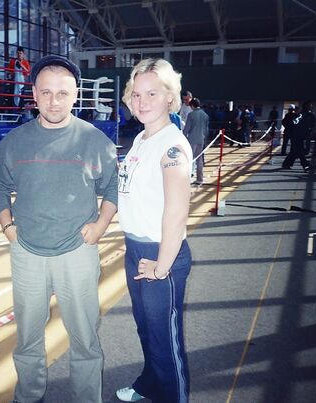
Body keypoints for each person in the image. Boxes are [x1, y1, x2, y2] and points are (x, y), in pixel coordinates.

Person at [0, 55, 118, 403]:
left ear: (75, 94)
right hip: (27, 253)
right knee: (27, 339)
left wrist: (100, 225)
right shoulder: (14, 141)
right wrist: (7, 226)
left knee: (85, 339)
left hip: (77, 253)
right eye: (46, 93)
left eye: (63, 93)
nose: (54, 101)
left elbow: (112, 188)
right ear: (34, 94)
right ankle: (28, 396)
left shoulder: (95, 141)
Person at [116, 58, 193, 403]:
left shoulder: (171, 145)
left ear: (169, 97)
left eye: (152, 93)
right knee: (146, 329)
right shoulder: (142, 139)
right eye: (136, 94)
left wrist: (161, 266)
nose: (142, 101)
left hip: (162, 253)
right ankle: (150, 383)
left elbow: (176, 212)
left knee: (165, 338)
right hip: (136, 249)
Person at [183, 97, 209, 184]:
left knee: (189, 159)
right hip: (201, 140)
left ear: (192, 106)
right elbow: (206, 130)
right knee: (199, 160)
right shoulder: (205, 115)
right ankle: (199, 179)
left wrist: (183, 138)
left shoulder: (191, 115)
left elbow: (186, 129)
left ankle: (186, 179)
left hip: (191, 140)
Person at [281, 106, 309, 171]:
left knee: (295, 151)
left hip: (298, 136)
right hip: (295, 136)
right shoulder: (291, 116)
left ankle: (287, 164)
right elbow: (285, 123)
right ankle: (305, 165)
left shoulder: (299, 116)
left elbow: (303, 126)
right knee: (299, 151)